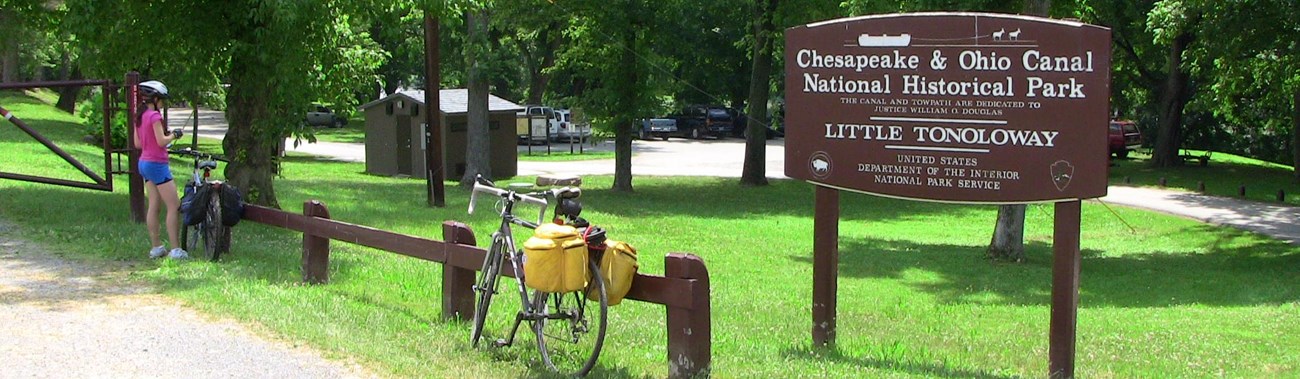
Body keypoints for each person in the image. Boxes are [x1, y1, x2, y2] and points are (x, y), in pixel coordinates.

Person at [134, 80, 188, 259]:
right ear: (155, 99)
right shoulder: (155, 117)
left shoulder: (140, 116)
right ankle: (175, 249)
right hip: (157, 164)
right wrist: (174, 135)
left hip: (144, 163)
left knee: (154, 205)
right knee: (174, 205)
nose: (163, 103)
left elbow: (137, 143)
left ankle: (156, 246)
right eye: (162, 100)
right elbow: (161, 141)